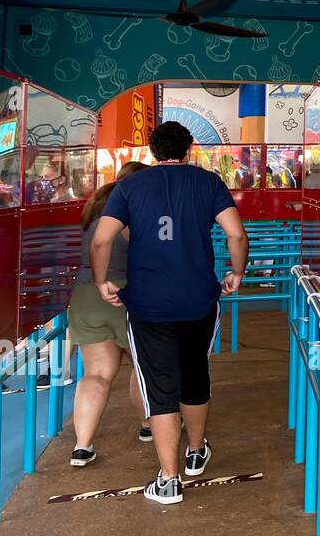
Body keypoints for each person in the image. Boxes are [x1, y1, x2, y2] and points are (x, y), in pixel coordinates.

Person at [90, 121, 249, 505]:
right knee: (195, 373)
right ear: (190, 147)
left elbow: (101, 238)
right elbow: (237, 235)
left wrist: (101, 282)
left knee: (160, 385)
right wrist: (237, 272)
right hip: (198, 299)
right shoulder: (209, 183)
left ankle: (168, 480)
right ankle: (196, 453)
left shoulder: (129, 187)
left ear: (152, 149)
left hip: (148, 304)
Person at [67, 161, 151, 466]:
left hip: (86, 295)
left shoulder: (94, 207)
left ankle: (82, 446)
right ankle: (148, 426)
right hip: (125, 293)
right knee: (143, 368)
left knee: (96, 373)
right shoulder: (132, 209)